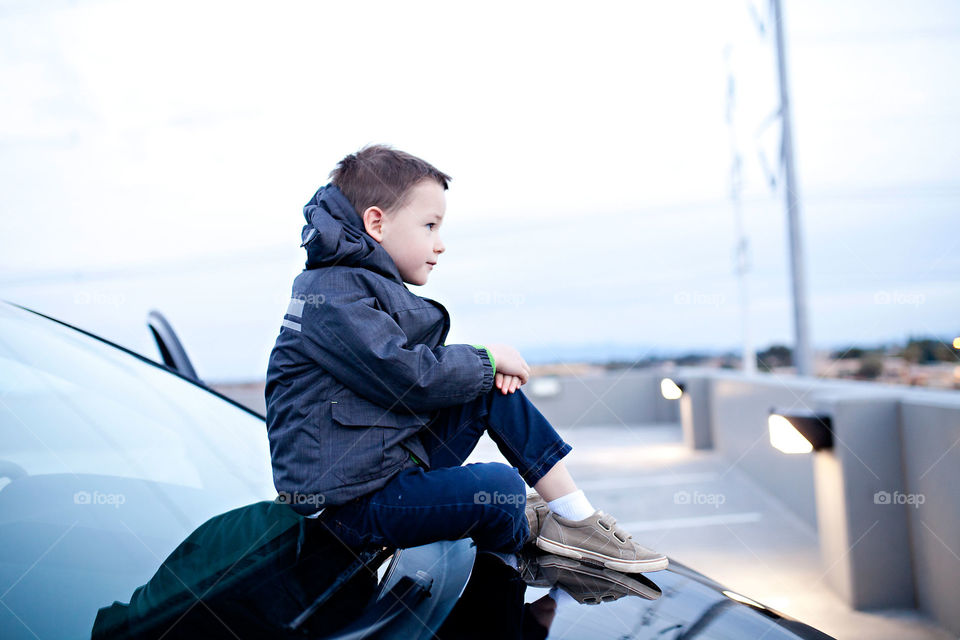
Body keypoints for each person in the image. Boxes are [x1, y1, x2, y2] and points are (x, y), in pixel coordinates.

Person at [264, 143, 667, 573]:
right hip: (354, 505)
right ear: (376, 223)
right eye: (430, 226)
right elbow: (409, 376)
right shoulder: (333, 293)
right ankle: (528, 539)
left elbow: (414, 373)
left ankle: (575, 518)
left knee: (490, 389)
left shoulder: (352, 282)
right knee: (499, 489)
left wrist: (486, 368)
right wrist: (488, 356)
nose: (440, 245)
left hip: (382, 469)